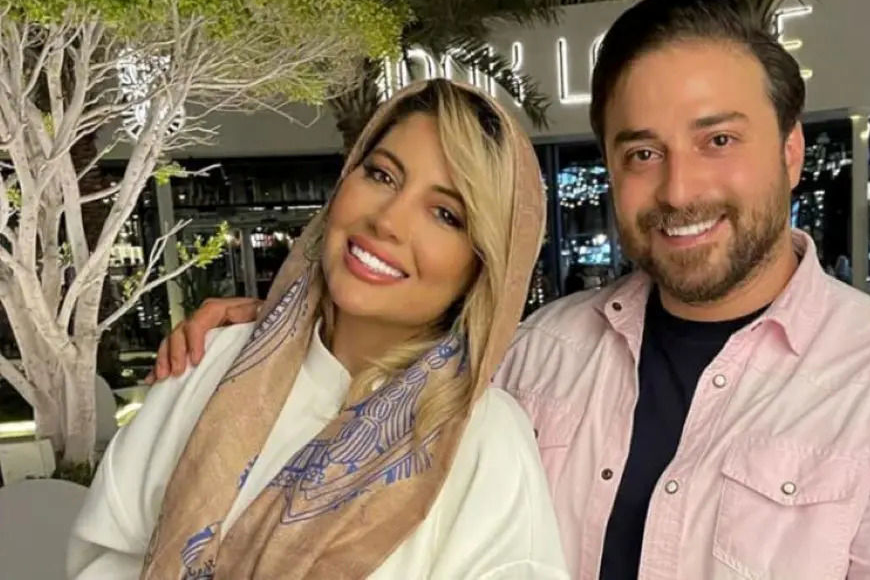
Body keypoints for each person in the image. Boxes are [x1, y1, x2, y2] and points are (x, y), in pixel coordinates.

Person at [148, 0, 870, 578]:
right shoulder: (538, 354)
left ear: (791, 150)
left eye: (719, 140)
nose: (679, 189)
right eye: (642, 152)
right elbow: (390, 387)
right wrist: (282, 327)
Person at [70, 79, 568, 579]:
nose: (388, 221)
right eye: (382, 175)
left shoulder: (483, 439)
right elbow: (104, 555)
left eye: (445, 214)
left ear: (483, 265)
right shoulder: (217, 360)